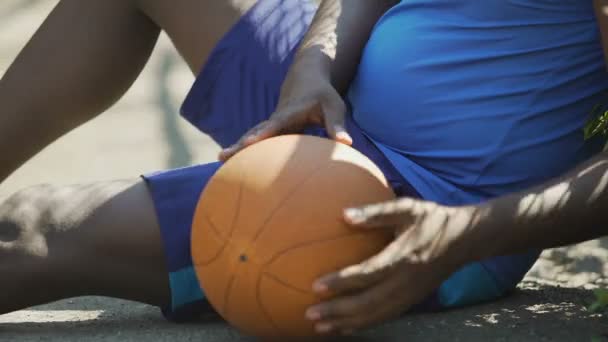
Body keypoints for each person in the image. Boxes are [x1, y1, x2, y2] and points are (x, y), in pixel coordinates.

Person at [0, 0, 606, 337]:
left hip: (417, 203)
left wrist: (467, 232)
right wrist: (312, 67)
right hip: (331, 100)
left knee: (28, 230)